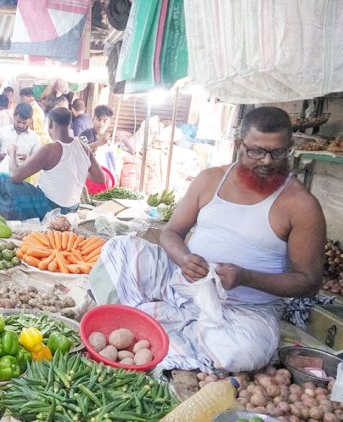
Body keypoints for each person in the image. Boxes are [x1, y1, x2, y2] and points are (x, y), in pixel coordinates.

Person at [89, 107, 326, 372]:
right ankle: (163, 323)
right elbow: (171, 233)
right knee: (120, 249)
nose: (267, 161)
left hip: (245, 310)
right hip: (183, 284)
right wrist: (184, 259)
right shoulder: (210, 180)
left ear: (290, 148)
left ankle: (162, 327)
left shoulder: (301, 205)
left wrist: (246, 278)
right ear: (238, 145)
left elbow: (309, 282)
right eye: (257, 151)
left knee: (242, 353)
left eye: (278, 152)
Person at [0, 107, 105, 221]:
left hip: (49, 207)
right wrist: (77, 169)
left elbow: (15, 176)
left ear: (50, 123)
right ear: (70, 124)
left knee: (0, 179)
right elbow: (100, 178)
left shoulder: (50, 149)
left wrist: (12, 153)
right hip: (71, 209)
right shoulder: (83, 147)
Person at [0, 103, 40, 181]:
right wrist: (5, 157)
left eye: (24, 123)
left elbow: (36, 161)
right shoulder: (2, 131)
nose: (21, 125)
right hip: (1, 176)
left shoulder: (34, 138)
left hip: (22, 179)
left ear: (30, 120)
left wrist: (27, 159)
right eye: (18, 121)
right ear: (14, 116)